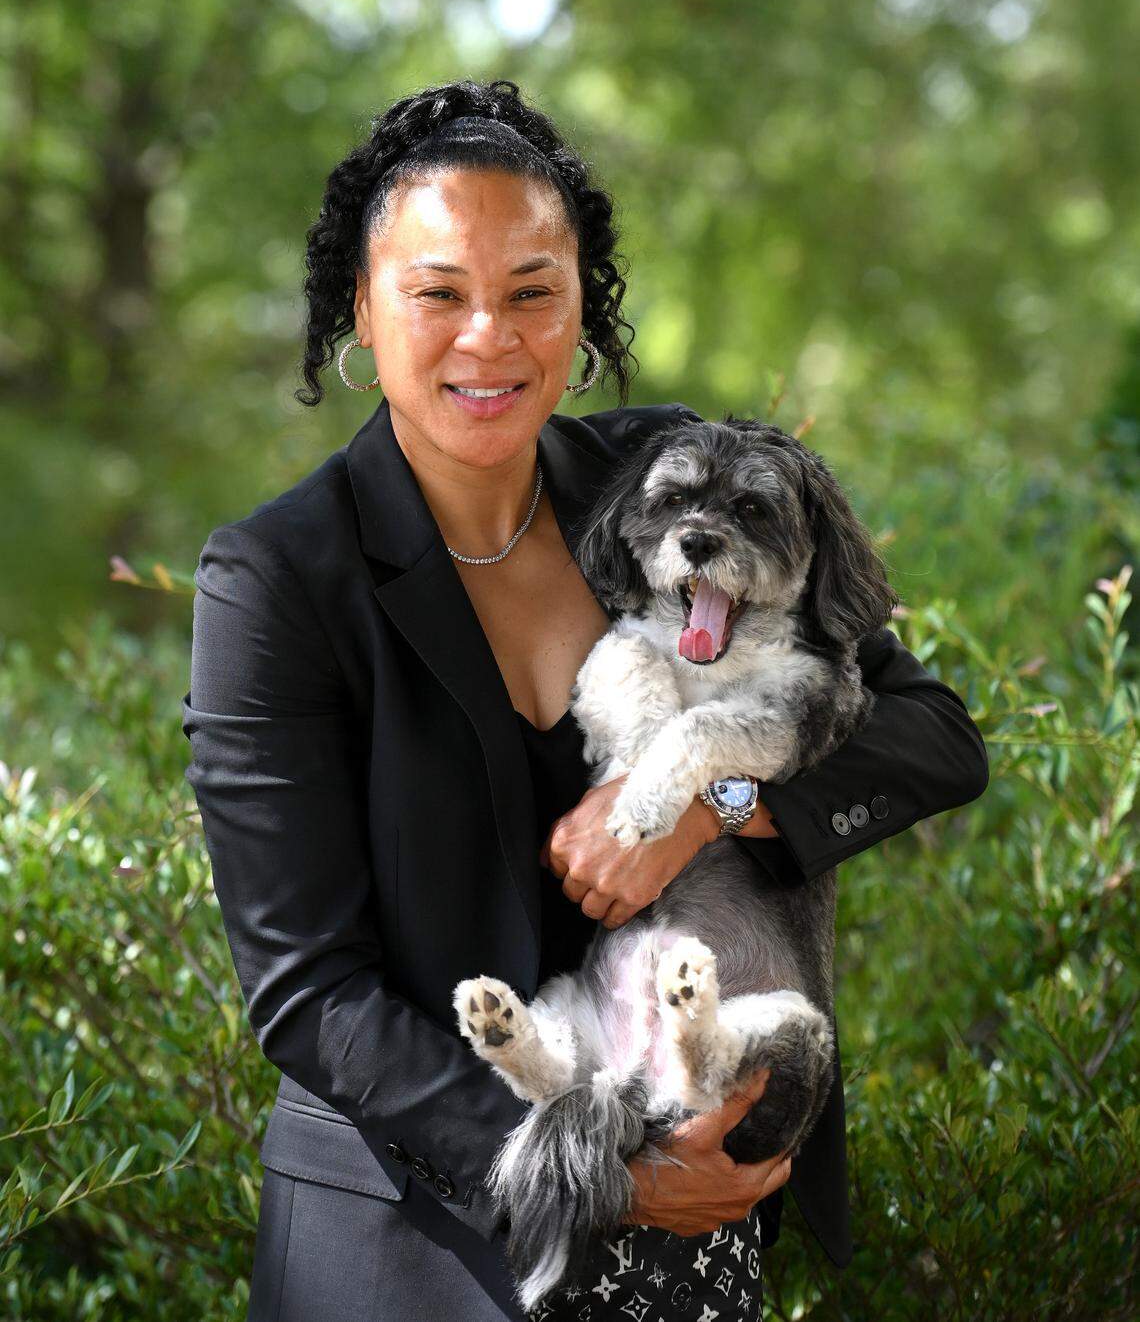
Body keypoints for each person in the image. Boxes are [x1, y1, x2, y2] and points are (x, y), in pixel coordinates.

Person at [180, 78, 990, 1321]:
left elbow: (929, 734)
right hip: (416, 1241)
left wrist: (713, 807)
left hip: (699, 1222)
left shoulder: (671, 483)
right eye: (438, 292)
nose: (489, 338)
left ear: (582, 306)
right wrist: (602, 1174)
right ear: (362, 305)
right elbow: (309, 993)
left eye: (531, 293)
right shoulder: (278, 579)